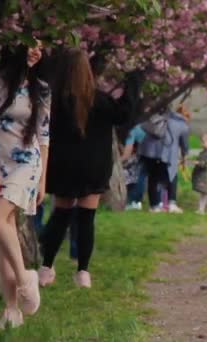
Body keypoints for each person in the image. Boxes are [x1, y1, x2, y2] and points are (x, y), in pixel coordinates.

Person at [0, 42, 49, 328]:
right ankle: (11, 310)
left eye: (41, 48)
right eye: (32, 45)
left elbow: (44, 136)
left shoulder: (40, 87)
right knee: (5, 237)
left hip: (27, 163)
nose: (36, 52)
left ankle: (25, 276)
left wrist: (43, 180)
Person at [38, 48, 129, 289]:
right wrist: (133, 85)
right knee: (86, 220)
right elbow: (123, 115)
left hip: (63, 168)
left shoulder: (55, 101)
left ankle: (46, 267)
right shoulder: (100, 100)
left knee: (60, 216)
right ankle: (83, 272)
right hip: (93, 168)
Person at [139, 104, 190, 213]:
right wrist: (185, 155)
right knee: (172, 176)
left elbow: (143, 127)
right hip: (167, 155)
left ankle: (154, 206)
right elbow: (184, 145)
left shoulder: (156, 119)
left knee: (153, 178)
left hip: (149, 153)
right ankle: (172, 204)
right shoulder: (182, 125)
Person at [121, 124, 148, 210]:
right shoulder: (142, 125)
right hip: (159, 152)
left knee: (138, 176)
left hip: (145, 154)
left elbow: (127, 153)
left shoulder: (132, 130)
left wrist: (118, 162)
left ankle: (134, 201)